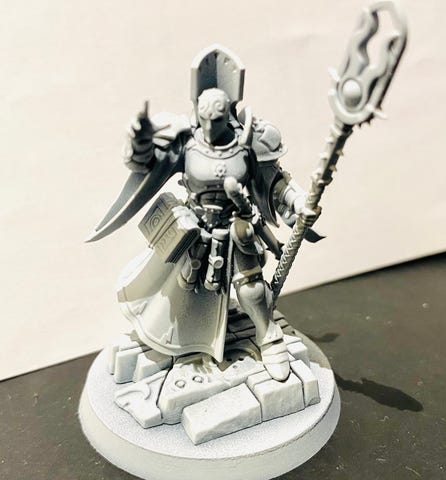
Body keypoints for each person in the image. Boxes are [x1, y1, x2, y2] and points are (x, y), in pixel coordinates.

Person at [88, 45, 318, 381]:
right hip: (196, 226)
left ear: (228, 114)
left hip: (238, 224)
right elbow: (145, 163)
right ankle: (181, 343)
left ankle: (269, 338)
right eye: (205, 119)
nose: (210, 127)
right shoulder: (186, 140)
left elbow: (273, 180)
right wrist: (140, 141)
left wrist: (297, 201)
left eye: (217, 120)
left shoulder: (248, 140)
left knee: (251, 285)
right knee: (180, 286)